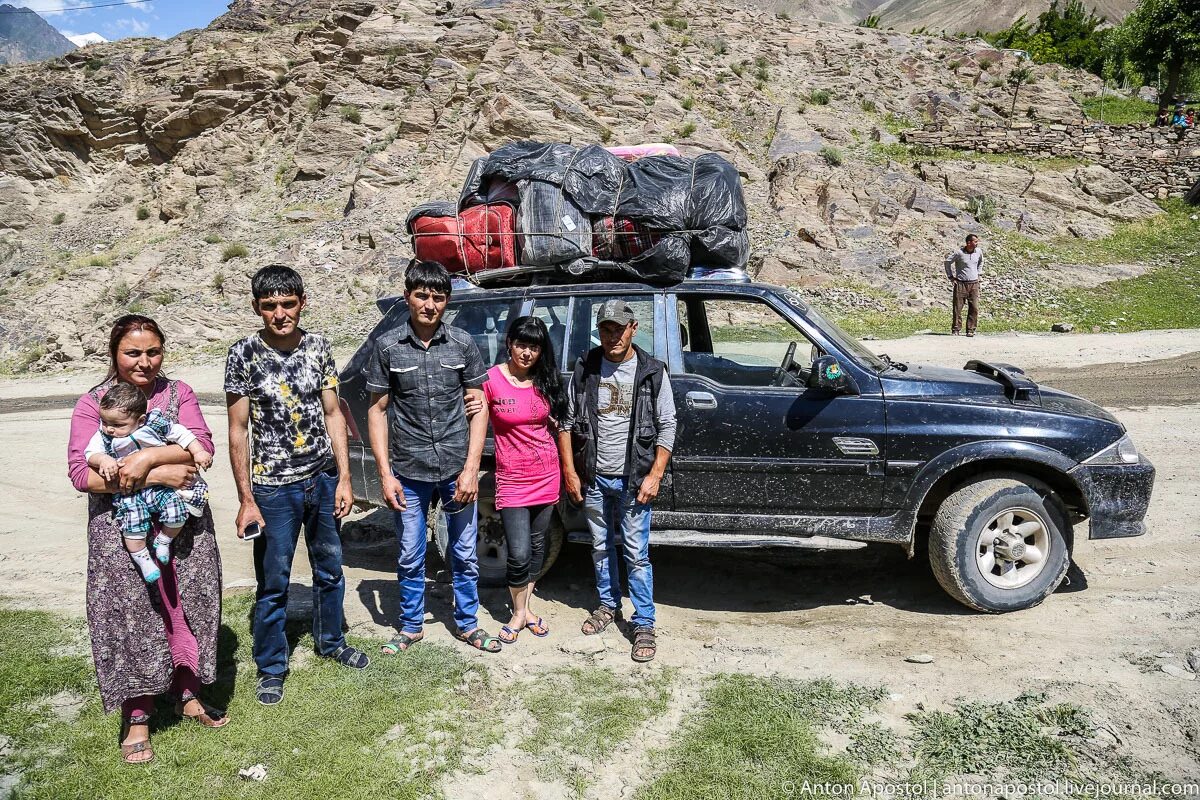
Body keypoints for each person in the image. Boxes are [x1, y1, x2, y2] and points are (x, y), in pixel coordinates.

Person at [67, 314, 228, 765]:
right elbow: (83, 474)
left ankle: (187, 692)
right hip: (121, 530)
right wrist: (162, 471)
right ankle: (137, 714)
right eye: (132, 353)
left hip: (182, 528)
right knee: (133, 613)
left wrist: (150, 456)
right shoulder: (93, 404)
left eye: (152, 352)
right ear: (114, 354)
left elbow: (201, 446)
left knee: (186, 604)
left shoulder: (178, 395)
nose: (144, 362)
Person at [225, 265, 369, 708]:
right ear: (257, 308)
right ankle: (271, 666)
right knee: (274, 581)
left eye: (288, 304)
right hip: (273, 488)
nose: (280, 314)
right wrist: (246, 499)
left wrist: (345, 478)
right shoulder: (243, 354)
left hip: (321, 479)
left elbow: (333, 415)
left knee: (330, 568)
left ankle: (331, 641)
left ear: (302, 303)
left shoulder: (319, 348)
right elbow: (237, 430)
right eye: (269, 306)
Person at [364, 260, 500, 654]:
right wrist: (385, 475)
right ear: (407, 296)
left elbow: (480, 406)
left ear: (447, 302)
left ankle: (468, 624)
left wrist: (472, 469)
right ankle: (410, 625)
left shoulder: (462, 344)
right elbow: (377, 411)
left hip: (456, 467)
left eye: (438, 297)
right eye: (421, 295)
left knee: (463, 551)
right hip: (408, 470)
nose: (429, 305)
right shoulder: (387, 347)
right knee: (410, 552)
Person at [558, 299, 676, 663]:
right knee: (599, 547)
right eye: (605, 329)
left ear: (633, 328)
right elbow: (565, 423)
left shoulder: (653, 372)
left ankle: (643, 622)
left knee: (636, 555)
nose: (612, 335)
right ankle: (607, 605)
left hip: (634, 479)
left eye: (618, 328)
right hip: (594, 478)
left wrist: (655, 475)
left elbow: (667, 425)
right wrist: (571, 472)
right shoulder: (586, 368)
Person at [483, 316, 565, 644]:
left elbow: (559, 426)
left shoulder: (546, 380)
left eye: (534, 346)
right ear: (509, 344)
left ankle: (523, 609)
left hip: (546, 474)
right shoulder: (490, 380)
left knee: (536, 547)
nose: (527, 353)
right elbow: (472, 419)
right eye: (521, 344)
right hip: (512, 479)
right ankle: (519, 612)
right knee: (517, 552)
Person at [86, 381, 212, 582]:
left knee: (176, 511)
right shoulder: (104, 436)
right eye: (105, 422)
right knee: (133, 524)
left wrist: (198, 451)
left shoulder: (155, 424)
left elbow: (183, 434)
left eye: (117, 425)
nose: (109, 429)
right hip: (130, 492)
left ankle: (164, 539)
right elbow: (90, 453)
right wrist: (104, 459)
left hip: (162, 489)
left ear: (141, 420)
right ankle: (143, 559)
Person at [944, 234, 983, 337]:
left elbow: (980, 262)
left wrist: (978, 273)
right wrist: (951, 277)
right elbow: (947, 262)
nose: (977, 243)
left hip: (974, 283)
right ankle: (956, 329)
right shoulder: (959, 253)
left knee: (974, 307)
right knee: (958, 307)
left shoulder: (978, 252)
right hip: (961, 283)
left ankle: (970, 330)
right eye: (975, 241)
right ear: (969, 243)